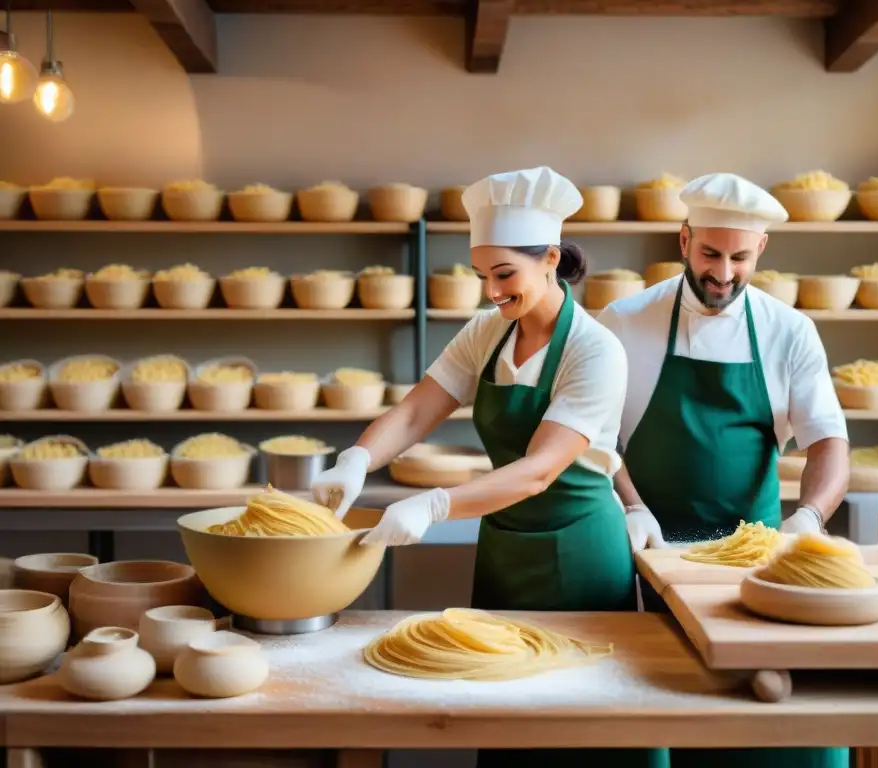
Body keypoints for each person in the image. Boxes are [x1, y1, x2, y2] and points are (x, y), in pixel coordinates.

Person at [312, 165, 668, 768]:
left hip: (578, 554)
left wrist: (435, 504)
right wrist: (357, 458)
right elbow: (417, 411)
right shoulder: (488, 332)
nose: (491, 291)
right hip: (505, 548)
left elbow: (539, 470)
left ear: (551, 257)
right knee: (507, 724)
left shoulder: (593, 349)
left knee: (581, 730)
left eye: (505, 275)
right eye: (482, 276)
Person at [597, 172, 850, 768]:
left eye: (740, 257)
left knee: (772, 739)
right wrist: (631, 504)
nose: (724, 272)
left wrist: (808, 519)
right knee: (660, 724)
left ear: (761, 249)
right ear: (682, 241)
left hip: (756, 575)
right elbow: (593, 439)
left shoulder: (790, 332)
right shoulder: (624, 321)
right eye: (710, 253)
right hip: (647, 568)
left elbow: (830, 443)